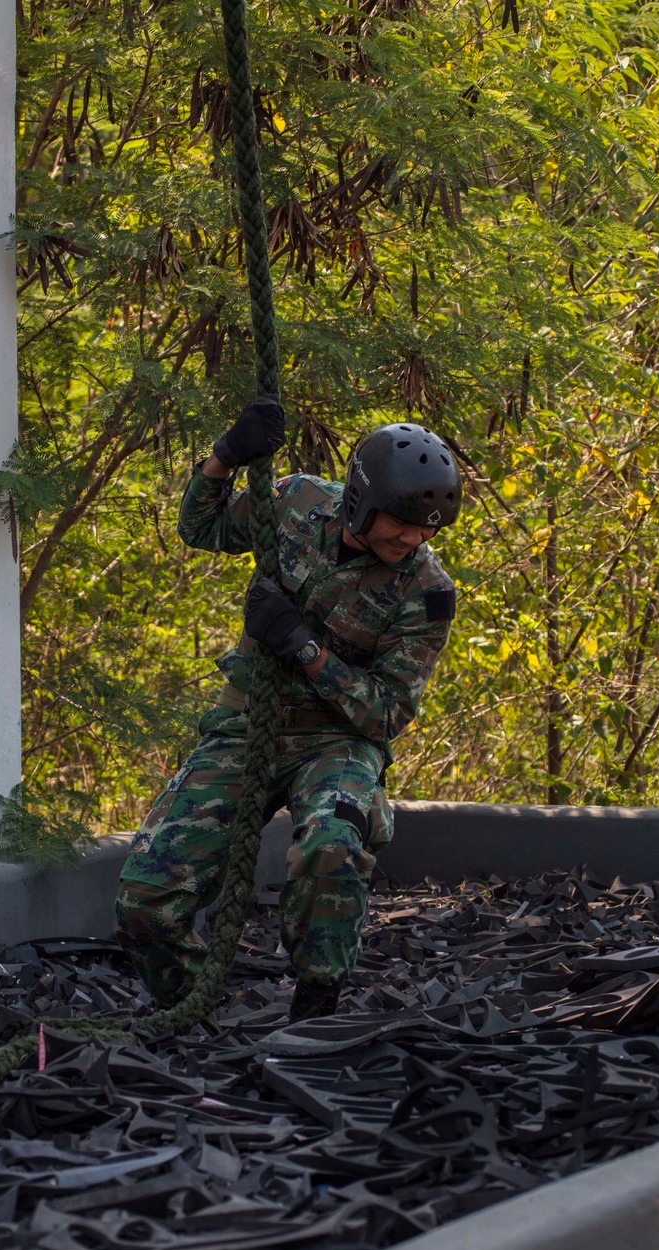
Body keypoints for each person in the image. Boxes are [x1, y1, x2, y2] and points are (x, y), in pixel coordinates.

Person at [114, 399, 461, 1024]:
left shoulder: (426, 592)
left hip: (338, 743)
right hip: (248, 726)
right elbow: (202, 527)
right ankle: (201, 1015)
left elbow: (384, 713)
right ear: (361, 499)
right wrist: (224, 456)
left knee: (332, 844)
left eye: (429, 528)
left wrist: (305, 650)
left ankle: (315, 1009)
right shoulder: (297, 502)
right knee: (145, 898)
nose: (413, 538)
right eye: (404, 523)